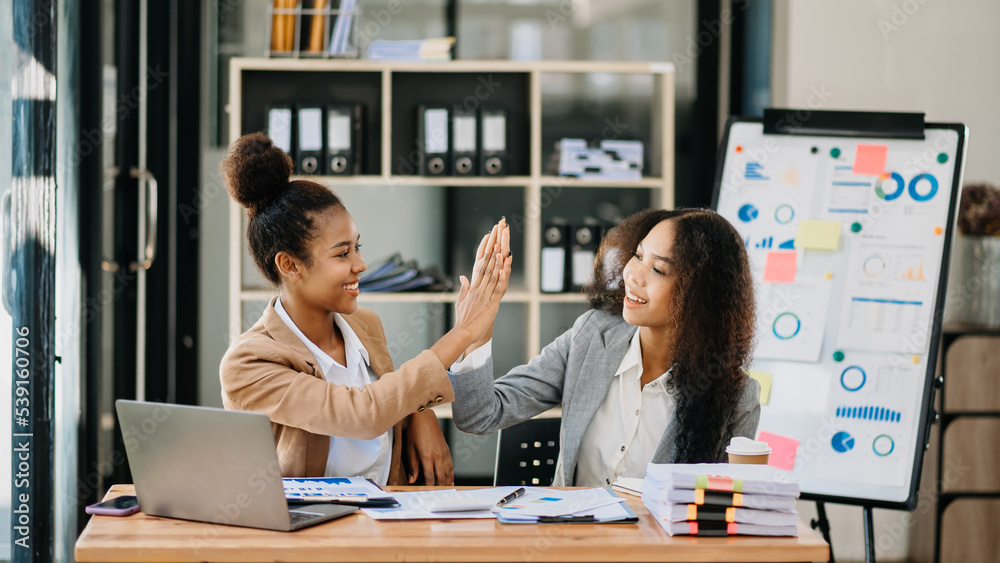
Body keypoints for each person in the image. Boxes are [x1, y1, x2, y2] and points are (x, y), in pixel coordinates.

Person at [219, 132, 512, 486]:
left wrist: (420, 415)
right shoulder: (248, 363)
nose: (361, 264)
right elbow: (362, 414)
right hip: (308, 533)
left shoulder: (364, 325)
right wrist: (462, 332)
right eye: (342, 254)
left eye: (358, 248)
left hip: (386, 521)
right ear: (290, 266)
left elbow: (390, 397)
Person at [450, 208, 760, 487]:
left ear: (700, 297)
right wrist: (476, 327)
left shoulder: (736, 396)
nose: (632, 274)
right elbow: (479, 415)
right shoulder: (591, 337)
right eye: (638, 256)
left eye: (658, 270)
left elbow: (723, 520)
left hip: (659, 551)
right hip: (573, 545)